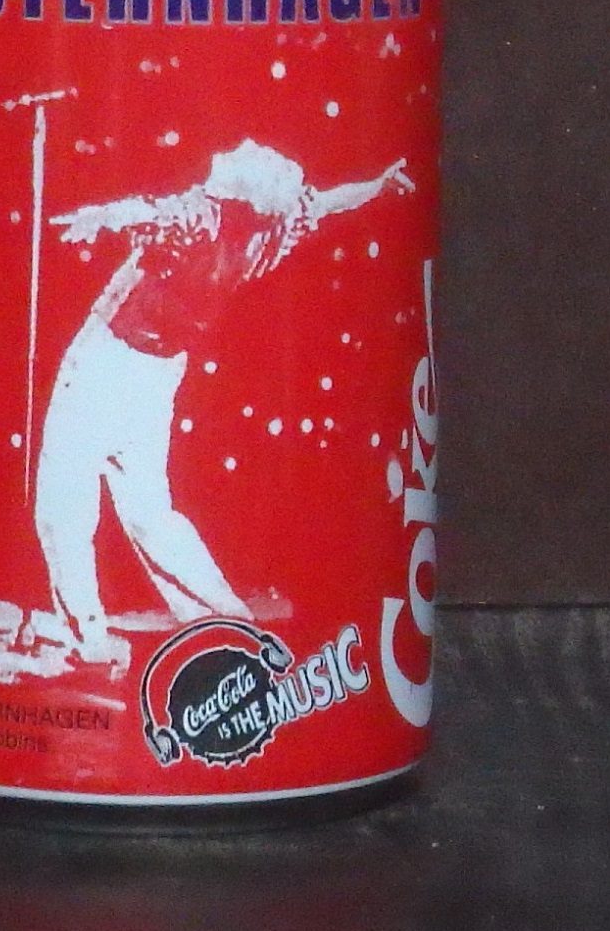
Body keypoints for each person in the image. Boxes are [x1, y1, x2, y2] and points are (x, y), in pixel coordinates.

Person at [33, 139, 414, 675]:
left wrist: (99, 218)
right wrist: (377, 186)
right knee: (150, 514)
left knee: (64, 504)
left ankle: (93, 638)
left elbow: (151, 212)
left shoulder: (208, 219)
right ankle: (224, 621)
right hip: (158, 373)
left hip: (109, 358)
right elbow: (327, 203)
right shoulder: (274, 231)